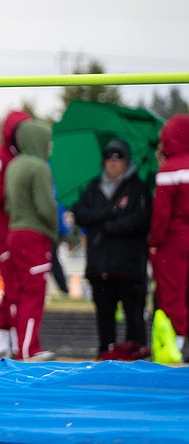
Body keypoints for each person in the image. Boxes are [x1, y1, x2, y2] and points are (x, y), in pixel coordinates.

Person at [71, 139, 152, 361]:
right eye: (108, 157)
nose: (113, 163)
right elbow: (81, 214)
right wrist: (107, 213)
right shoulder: (93, 187)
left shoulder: (138, 188)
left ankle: (136, 353)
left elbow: (141, 220)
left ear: (126, 161)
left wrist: (110, 227)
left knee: (134, 314)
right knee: (104, 316)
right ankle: (105, 352)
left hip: (128, 266)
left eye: (118, 157)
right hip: (100, 265)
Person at [4, 118, 58, 362]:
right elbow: (45, 207)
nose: (50, 148)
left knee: (17, 293)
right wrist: (56, 228)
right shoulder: (39, 167)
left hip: (14, 233)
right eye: (48, 142)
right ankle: (28, 349)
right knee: (33, 294)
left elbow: (7, 204)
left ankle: (22, 347)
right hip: (34, 236)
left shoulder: (13, 165)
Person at [0, 109, 31, 358]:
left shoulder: (27, 159)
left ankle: (7, 337)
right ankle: (6, 338)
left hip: (22, 231)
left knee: (21, 286)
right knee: (13, 286)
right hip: (5, 233)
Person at [150, 113, 189, 363]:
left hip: (173, 240)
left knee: (172, 292)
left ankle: (177, 344)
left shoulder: (170, 170)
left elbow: (161, 213)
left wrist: (154, 242)